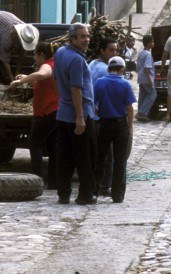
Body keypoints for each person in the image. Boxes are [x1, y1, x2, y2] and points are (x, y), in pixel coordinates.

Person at [53, 22, 98, 205]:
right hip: (79, 115)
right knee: (86, 157)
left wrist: (62, 101)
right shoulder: (77, 60)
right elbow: (76, 90)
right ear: (72, 38)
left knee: (64, 157)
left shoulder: (60, 53)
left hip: (63, 113)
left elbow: (56, 80)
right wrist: (80, 117)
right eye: (82, 37)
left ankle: (63, 194)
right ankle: (85, 195)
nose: (86, 40)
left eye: (87, 36)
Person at [9, 44, 58, 189]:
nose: (34, 58)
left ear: (41, 55)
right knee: (52, 146)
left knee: (34, 143)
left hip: (47, 112)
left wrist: (20, 81)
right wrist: (27, 78)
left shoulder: (48, 65)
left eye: (35, 55)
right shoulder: (52, 63)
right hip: (54, 111)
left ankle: (37, 179)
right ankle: (54, 182)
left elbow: (43, 74)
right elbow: (42, 78)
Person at [93, 56, 136, 202]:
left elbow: (94, 104)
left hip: (104, 124)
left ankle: (94, 191)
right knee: (120, 160)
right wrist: (130, 127)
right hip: (120, 125)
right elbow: (129, 108)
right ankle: (118, 195)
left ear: (108, 68)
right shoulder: (125, 84)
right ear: (122, 69)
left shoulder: (99, 83)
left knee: (100, 158)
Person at [0, 11, 38, 85]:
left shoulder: (25, 30)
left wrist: (17, 71)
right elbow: (4, 61)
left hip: (0, 25)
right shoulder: (7, 39)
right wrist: (12, 79)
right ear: (18, 38)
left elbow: (23, 53)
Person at [135, 34, 156, 121]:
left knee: (142, 96)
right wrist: (150, 80)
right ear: (148, 43)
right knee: (152, 94)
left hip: (141, 78)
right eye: (152, 42)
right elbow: (147, 68)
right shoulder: (148, 54)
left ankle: (140, 112)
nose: (153, 43)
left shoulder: (141, 53)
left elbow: (138, 67)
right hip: (147, 79)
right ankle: (142, 112)